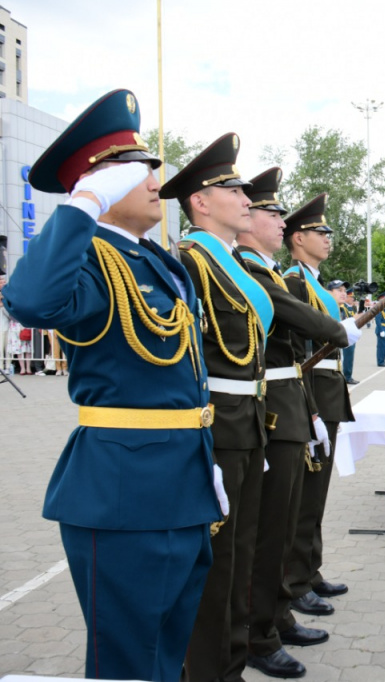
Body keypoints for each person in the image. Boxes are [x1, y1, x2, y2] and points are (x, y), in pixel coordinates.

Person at [3, 89, 221, 680]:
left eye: (152, 167)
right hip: (125, 491)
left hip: (184, 479)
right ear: (94, 185)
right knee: (127, 661)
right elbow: (28, 301)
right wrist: (79, 210)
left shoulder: (157, 261)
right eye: (136, 170)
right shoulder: (91, 257)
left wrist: (207, 462)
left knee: (168, 653)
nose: (156, 181)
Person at [162, 133, 272, 682]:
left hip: (247, 423)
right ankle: (206, 672)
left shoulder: (232, 264)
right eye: (232, 187)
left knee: (242, 555)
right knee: (217, 563)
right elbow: (182, 357)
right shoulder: (188, 261)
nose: (245, 196)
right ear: (200, 202)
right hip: (216, 428)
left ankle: (231, 664)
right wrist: (195, 442)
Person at [236, 169, 353, 678]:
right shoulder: (261, 274)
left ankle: (280, 607)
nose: (280, 222)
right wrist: (337, 328)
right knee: (271, 528)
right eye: (272, 213)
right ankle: (268, 620)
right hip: (270, 404)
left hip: (297, 397)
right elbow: (298, 336)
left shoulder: (269, 273)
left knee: (290, 517)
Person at [281, 194, 358, 627]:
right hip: (311, 390)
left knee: (316, 495)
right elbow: (297, 350)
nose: (327, 239)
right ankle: (295, 582)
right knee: (303, 497)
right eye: (319, 233)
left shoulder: (313, 281)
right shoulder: (293, 281)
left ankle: (309, 570)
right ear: (298, 238)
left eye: (328, 232)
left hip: (327, 388)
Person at [375, 292, 385, 366]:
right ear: (381, 299)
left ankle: (383, 360)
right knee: (381, 346)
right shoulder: (378, 307)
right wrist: (381, 330)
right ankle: (380, 361)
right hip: (381, 329)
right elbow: (377, 320)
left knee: (384, 346)